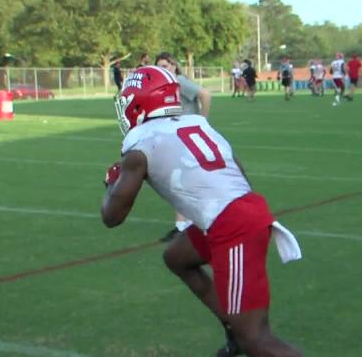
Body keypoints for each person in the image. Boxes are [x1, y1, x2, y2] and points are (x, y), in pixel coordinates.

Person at [104, 66, 303, 357]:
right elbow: (240, 174)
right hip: (242, 209)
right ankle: (231, 326)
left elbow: (112, 217)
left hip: (232, 226)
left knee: (256, 340)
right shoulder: (197, 123)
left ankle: (240, 332)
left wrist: (111, 184)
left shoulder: (140, 145)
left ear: (139, 102)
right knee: (177, 257)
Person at [154, 52, 212, 242]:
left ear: (174, 66)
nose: (163, 69)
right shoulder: (165, 85)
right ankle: (182, 227)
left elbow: (205, 94)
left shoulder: (178, 81)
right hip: (175, 138)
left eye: (166, 65)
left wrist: (202, 120)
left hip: (187, 139)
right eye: (159, 66)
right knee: (178, 182)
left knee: (185, 182)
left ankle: (194, 225)